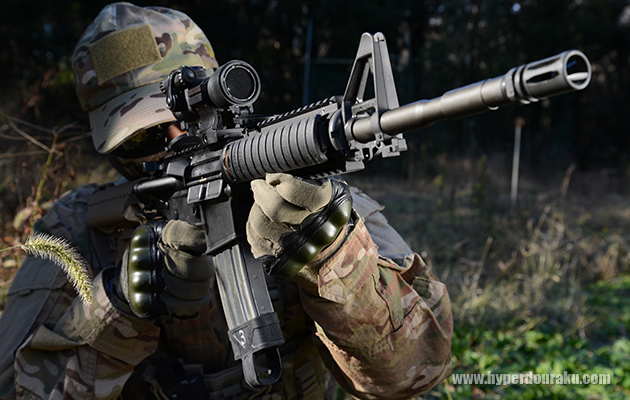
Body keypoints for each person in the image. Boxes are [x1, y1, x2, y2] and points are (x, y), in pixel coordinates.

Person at [0, 3, 453, 399]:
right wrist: (118, 306)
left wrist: (334, 258)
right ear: (112, 150)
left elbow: (417, 372)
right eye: (145, 135)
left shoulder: (306, 198)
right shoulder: (78, 231)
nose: (177, 140)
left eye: (192, 120)